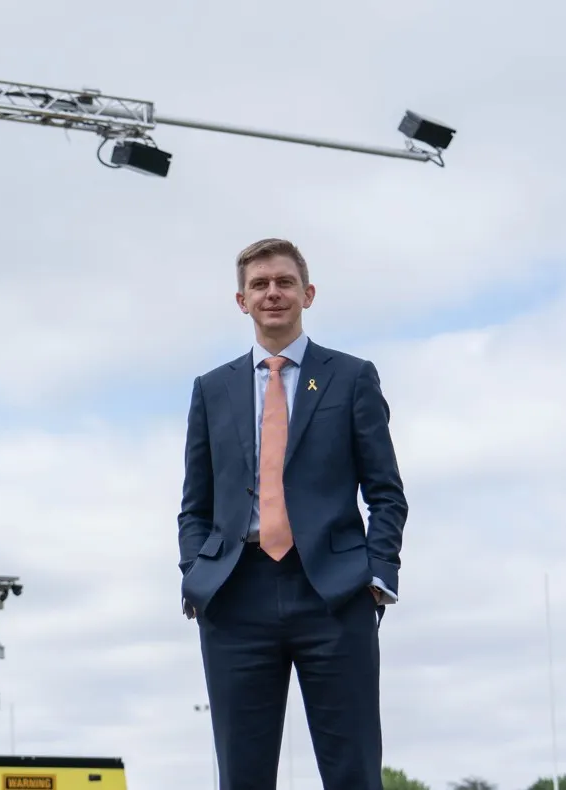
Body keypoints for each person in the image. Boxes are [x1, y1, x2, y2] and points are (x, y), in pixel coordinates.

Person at [177, 238, 408, 790]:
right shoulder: (212, 389)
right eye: (259, 285)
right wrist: (197, 576)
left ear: (307, 293)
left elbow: (386, 492)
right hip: (235, 596)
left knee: (353, 772)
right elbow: (195, 504)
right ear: (241, 300)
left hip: (333, 593)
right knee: (242, 777)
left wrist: (377, 576)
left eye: (283, 282)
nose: (272, 293)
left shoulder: (350, 378)